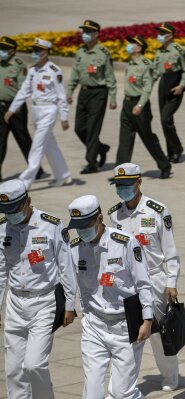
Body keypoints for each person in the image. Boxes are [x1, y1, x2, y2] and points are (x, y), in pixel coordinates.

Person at [67, 194, 153, 399]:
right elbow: (74, 284)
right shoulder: (74, 248)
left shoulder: (125, 244)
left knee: (121, 392)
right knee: (92, 390)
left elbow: (143, 282)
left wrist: (147, 319)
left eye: (85, 224)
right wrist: (80, 312)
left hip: (125, 327)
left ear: (99, 218)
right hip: (94, 326)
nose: (81, 230)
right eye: (77, 226)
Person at [0, 179, 77, 399]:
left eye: (14, 209)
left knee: (34, 364)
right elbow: (1, 271)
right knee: (14, 370)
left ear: (28, 201)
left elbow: (67, 268)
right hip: (15, 303)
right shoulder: (3, 228)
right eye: (6, 210)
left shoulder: (51, 225)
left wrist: (70, 305)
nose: (10, 215)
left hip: (44, 302)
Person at [107, 163, 181, 392]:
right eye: (118, 185)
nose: (122, 189)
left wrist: (172, 282)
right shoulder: (114, 214)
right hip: (128, 284)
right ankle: (124, 384)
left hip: (154, 278)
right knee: (130, 334)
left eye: (127, 184)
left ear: (139, 182)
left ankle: (170, 376)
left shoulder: (157, 210)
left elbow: (170, 249)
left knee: (159, 333)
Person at [4, 38, 72, 189]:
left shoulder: (54, 70)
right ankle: (63, 175)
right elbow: (24, 91)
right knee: (49, 145)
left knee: (37, 145)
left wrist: (64, 117)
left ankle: (25, 181)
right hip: (36, 109)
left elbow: (61, 95)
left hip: (49, 110)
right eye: (32, 50)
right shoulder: (33, 70)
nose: (33, 53)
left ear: (45, 52)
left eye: (37, 51)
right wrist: (12, 109)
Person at [115, 35, 171, 179]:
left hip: (140, 105)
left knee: (147, 137)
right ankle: (121, 172)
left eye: (132, 44)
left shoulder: (146, 64)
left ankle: (165, 165)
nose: (129, 46)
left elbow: (147, 87)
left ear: (139, 47)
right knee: (124, 139)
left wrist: (140, 104)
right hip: (127, 104)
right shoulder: (130, 63)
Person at [67, 19, 116, 174]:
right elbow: (75, 73)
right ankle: (101, 148)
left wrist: (113, 98)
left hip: (99, 93)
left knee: (93, 128)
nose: (85, 35)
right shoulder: (80, 52)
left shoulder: (104, 53)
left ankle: (91, 163)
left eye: (88, 32)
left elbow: (110, 76)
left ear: (96, 34)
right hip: (84, 92)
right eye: (84, 32)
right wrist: (70, 91)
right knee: (79, 128)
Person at [0, 36, 45, 182]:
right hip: (0, 107)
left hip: (15, 107)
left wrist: (14, 108)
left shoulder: (19, 65)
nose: (2, 51)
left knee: (23, 139)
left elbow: (24, 89)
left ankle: (36, 169)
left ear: (12, 50)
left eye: (5, 49)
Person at [152, 22, 185, 164]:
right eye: (159, 33)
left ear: (170, 35)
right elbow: (156, 71)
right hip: (163, 85)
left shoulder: (179, 50)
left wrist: (181, 86)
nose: (160, 36)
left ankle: (177, 148)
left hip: (175, 86)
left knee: (165, 118)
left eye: (163, 33)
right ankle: (171, 153)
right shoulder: (159, 51)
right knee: (166, 121)